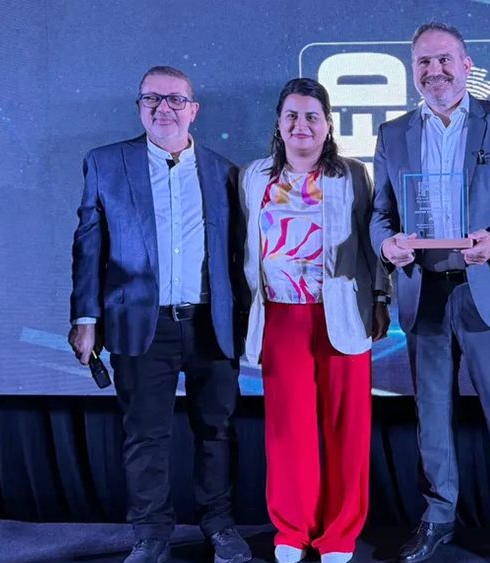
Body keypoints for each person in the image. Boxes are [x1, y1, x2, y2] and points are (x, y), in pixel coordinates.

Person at [370, 21, 490, 563]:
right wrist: (386, 244)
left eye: (444, 59)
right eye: (423, 62)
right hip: (424, 293)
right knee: (432, 418)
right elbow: (380, 214)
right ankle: (438, 517)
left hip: (486, 291)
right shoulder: (393, 133)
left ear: (467, 65)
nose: (434, 70)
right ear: (412, 70)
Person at [68, 66, 252, 563]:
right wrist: (85, 318)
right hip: (138, 324)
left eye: (175, 99)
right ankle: (150, 534)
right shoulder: (106, 163)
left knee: (216, 431)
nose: (163, 108)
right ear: (139, 107)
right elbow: (89, 246)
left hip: (211, 323)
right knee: (145, 435)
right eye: (152, 99)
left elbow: (239, 255)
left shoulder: (226, 172)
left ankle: (219, 525)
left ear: (194, 110)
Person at [238, 77, 391, 563]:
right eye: (292, 116)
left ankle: (340, 534)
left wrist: (381, 298)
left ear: (328, 125)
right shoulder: (253, 177)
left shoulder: (353, 176)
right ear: (279, 124)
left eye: (312, 116)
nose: (301, 125)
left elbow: (371, 244)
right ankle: (292, 530)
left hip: (342, 312)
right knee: (289, 430)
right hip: (280, 315)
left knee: (348, 427)